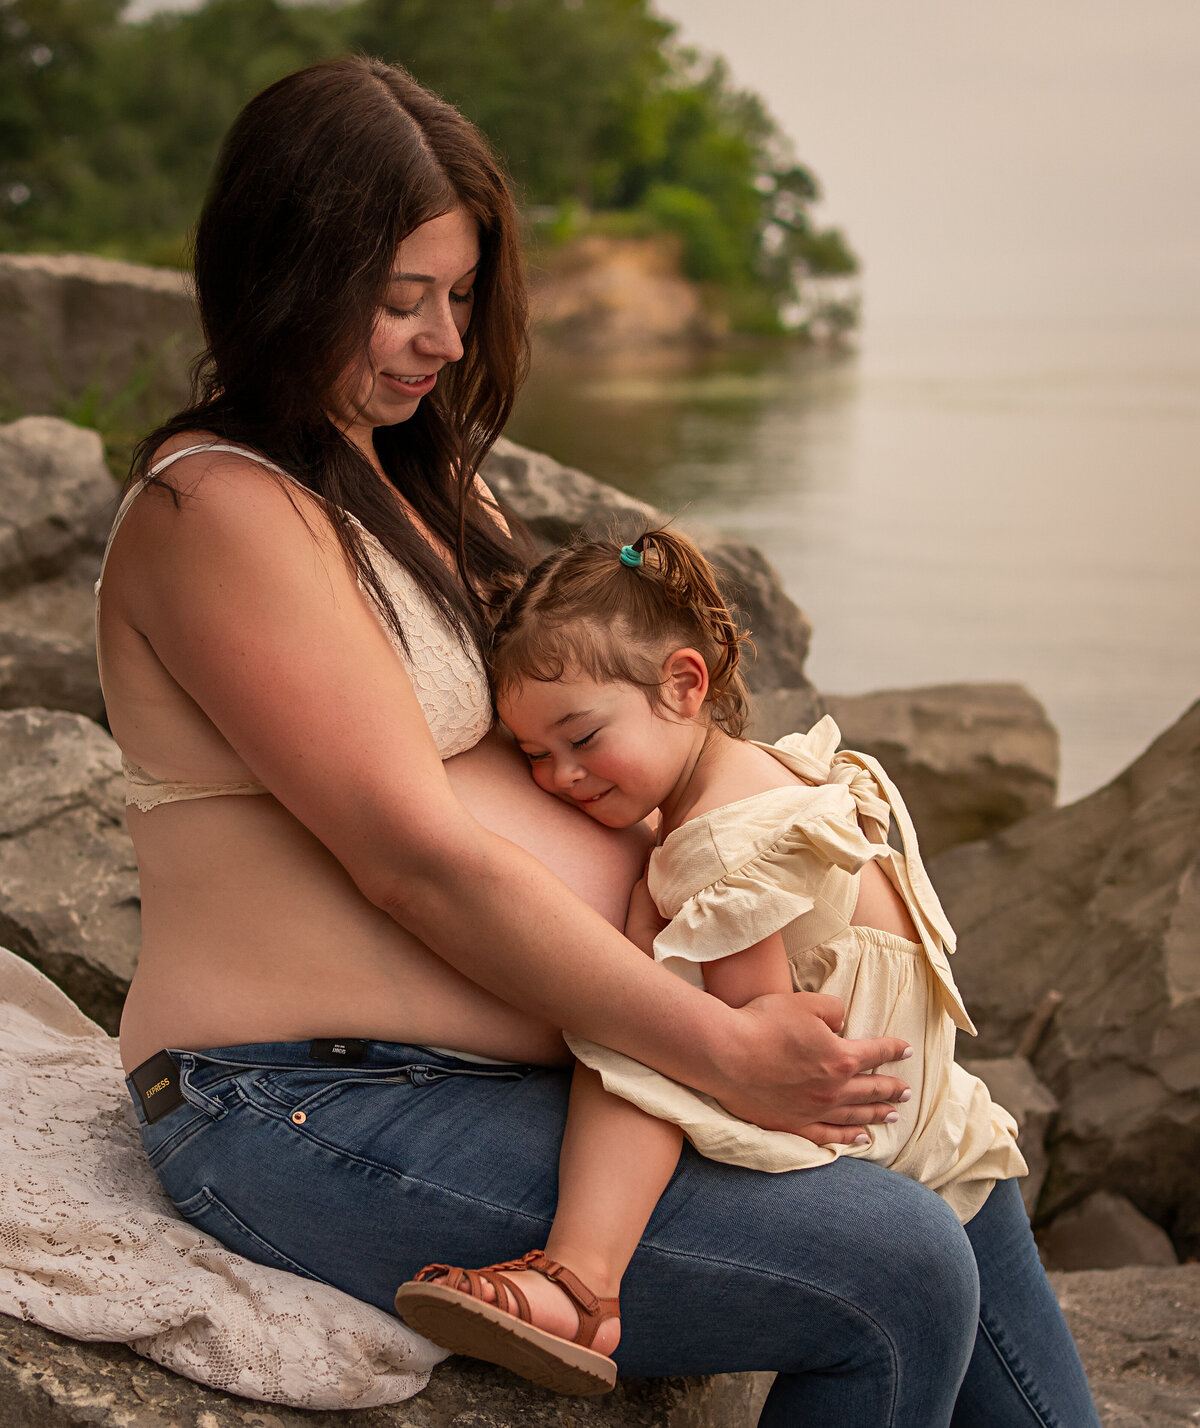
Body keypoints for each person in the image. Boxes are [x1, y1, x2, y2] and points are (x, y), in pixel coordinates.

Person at [96, 55, 1100, 1427]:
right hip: (296, 1105)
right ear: (287, 274)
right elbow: (416, 859)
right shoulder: (217, 513)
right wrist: (713, 1042)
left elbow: (642, 720)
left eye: (458, 297)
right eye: (401, 301)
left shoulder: (422, 487)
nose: (443, 340)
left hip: (513, 1075)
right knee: (895, 1265)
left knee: (953, 1165)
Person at [395, 527, 1037, 1397]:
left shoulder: (719, 847)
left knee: (644, 1028)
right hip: (942, 1131)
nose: (562, 777)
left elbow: (766, 1059)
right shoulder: (770, 770)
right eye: (537, 756)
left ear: (685, 684)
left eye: (582, 737)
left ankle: (581, 1278)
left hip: (878, 1134)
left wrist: (627, 960)